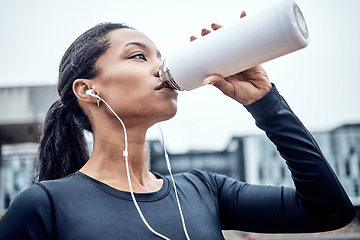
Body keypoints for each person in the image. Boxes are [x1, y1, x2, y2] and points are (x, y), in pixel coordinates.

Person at [0, 12, 355, 240]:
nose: (161, 67)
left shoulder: (205, 190)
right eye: (139, 56)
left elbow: (328, 210)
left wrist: (264, 102)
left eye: (160, 56)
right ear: (88, 89)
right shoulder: (43, 206)